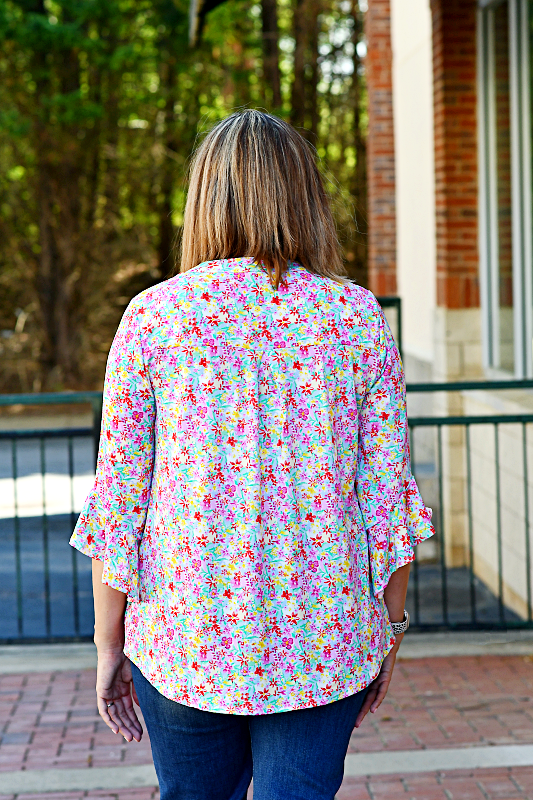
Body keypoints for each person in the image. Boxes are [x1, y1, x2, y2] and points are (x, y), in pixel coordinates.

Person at [70, 109, 434, 800]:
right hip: (323, 637)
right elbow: (388, 495)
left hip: (184, 636)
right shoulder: (354, 316)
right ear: (303, 196)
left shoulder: (155, 316)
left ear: (203, 198)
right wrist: (390, 626)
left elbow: (119, 500)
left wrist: (108, 646)